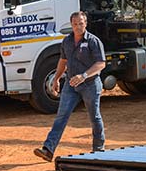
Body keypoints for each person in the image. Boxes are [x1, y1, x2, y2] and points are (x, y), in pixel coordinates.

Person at [34, 11, 106, 162]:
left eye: (81, 23)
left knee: (94, 117)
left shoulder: (93, 41)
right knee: (61, 116)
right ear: (71, 25)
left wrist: (84, 75)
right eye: (75, 24)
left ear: (85, 23)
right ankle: (48, 150)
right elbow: (63, 61)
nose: (78, 27)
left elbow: (101, 64)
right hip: (71, 85)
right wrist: (56, 79)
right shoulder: (66, 41)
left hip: (90, 84)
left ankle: (98, 149)